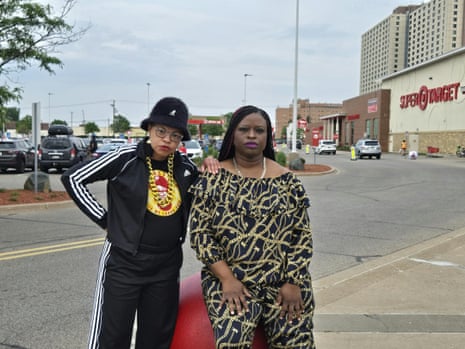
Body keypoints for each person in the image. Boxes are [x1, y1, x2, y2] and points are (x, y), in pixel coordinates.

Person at [61, 97, 218, 349]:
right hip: (124, 262)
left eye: (175, 135)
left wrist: (210, 165)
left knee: (156, 339)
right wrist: (104, 220)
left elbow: (209, 197)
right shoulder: (125, 157)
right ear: (149, 129)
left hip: (165, 266)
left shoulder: (185, 167)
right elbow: (74, 178)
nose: (167, 139)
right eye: (161, 131)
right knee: (112, 338)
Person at [189, 105, 315, 348]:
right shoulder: (213, 179)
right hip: (232, 280)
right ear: (232, 134)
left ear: (268, 136)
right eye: (244, 129)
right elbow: (200, 235)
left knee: (295, 343)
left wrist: (293, 281)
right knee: (232, 343)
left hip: (283, 283)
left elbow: (302, 236)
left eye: (259, 130)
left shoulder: (287, 182)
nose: (251, 136)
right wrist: (227, 279)